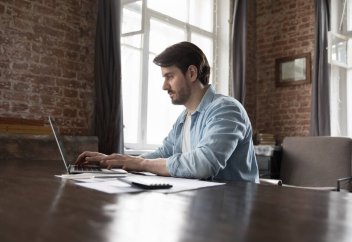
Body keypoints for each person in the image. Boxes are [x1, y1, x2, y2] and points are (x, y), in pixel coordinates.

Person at [76, 41, 259, 182]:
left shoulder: (226, 109)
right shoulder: (184, 118)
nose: (164, 86)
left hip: (233, 211)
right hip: (203, 205)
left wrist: (140, 163)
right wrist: (116, 160)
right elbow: (164, 152)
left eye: (169, 76)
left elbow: (204, 164)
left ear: (192, 73)